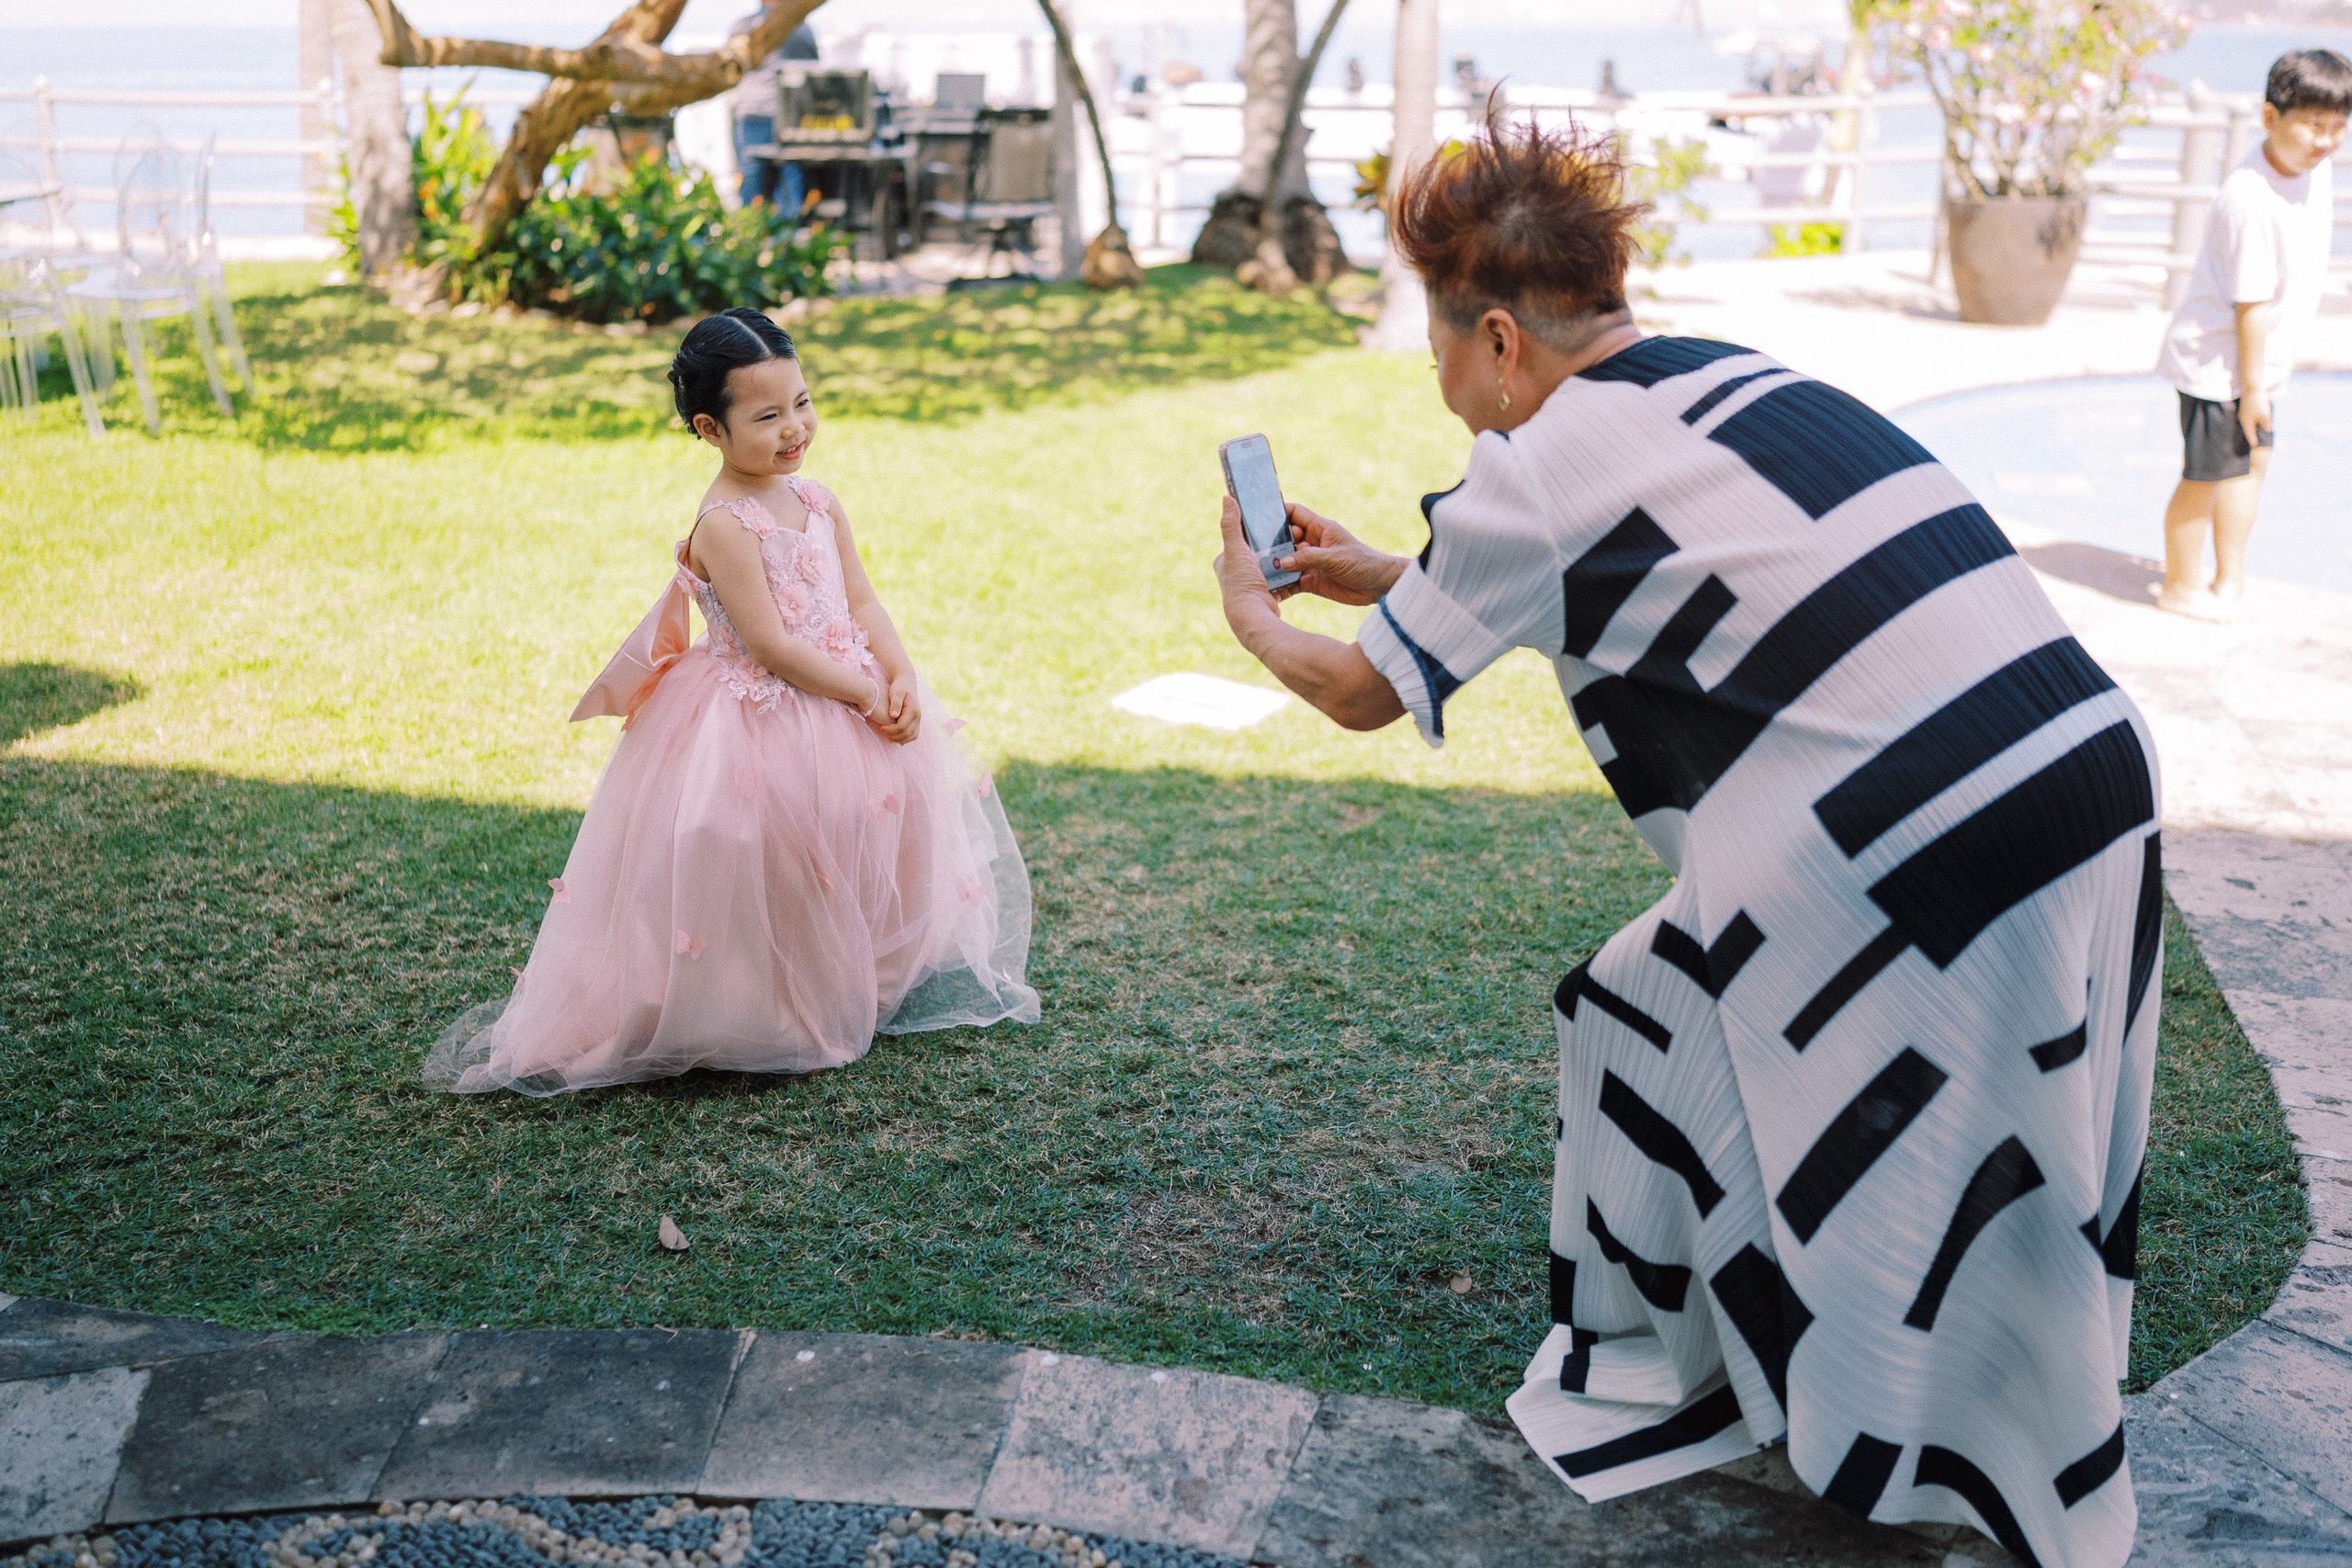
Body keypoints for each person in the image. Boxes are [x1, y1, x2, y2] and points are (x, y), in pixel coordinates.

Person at [1215, 119, 2156, 1568]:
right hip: (2085, 764)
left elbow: (1358, 688)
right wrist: (1384, 573)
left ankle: (1751, 1380)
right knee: (1965, 1120)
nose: (1450, 388)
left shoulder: (1528, 467)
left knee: (1658, 1022)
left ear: (1505, 341)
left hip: (1926, 827)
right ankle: (1962, 1403)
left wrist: (1259, 612)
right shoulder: (1729, 377)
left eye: (1443, 355)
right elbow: (1634, 574)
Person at [424, 309, 1038, 1096]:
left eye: (803, 403)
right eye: (768, 415)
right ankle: (764, 1004)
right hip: (760, 715)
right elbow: (774, 645)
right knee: (768, 848)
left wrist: (900, 673)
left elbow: (864, 602)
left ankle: (847, 975)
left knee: (866, 829)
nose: (796, 428)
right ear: (711, 427)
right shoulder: (724, 524)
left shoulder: (817, 501)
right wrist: (861, 692)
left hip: (848, 692)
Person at [2153, 48, 2350, 620]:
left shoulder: (2317, 169)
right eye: (2313, 126)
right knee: (2206, 477)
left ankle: (2230, 578)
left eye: (2338, 128)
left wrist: (2263, 382)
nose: (2326, 141)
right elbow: (2250, 305)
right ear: (2270, 119)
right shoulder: (2248, 198)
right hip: (2220, 366)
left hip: (2260, 366)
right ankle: (2181, 586)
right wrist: (2253, 389)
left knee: (2251, 466)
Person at [730, 9, 821, 212]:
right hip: (791, 117)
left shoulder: (743, 27)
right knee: (790, 177)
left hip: (754, 113)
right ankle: (788, 237)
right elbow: (814, 69)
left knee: (752, 179)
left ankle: (750, 236)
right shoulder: (801, 28)